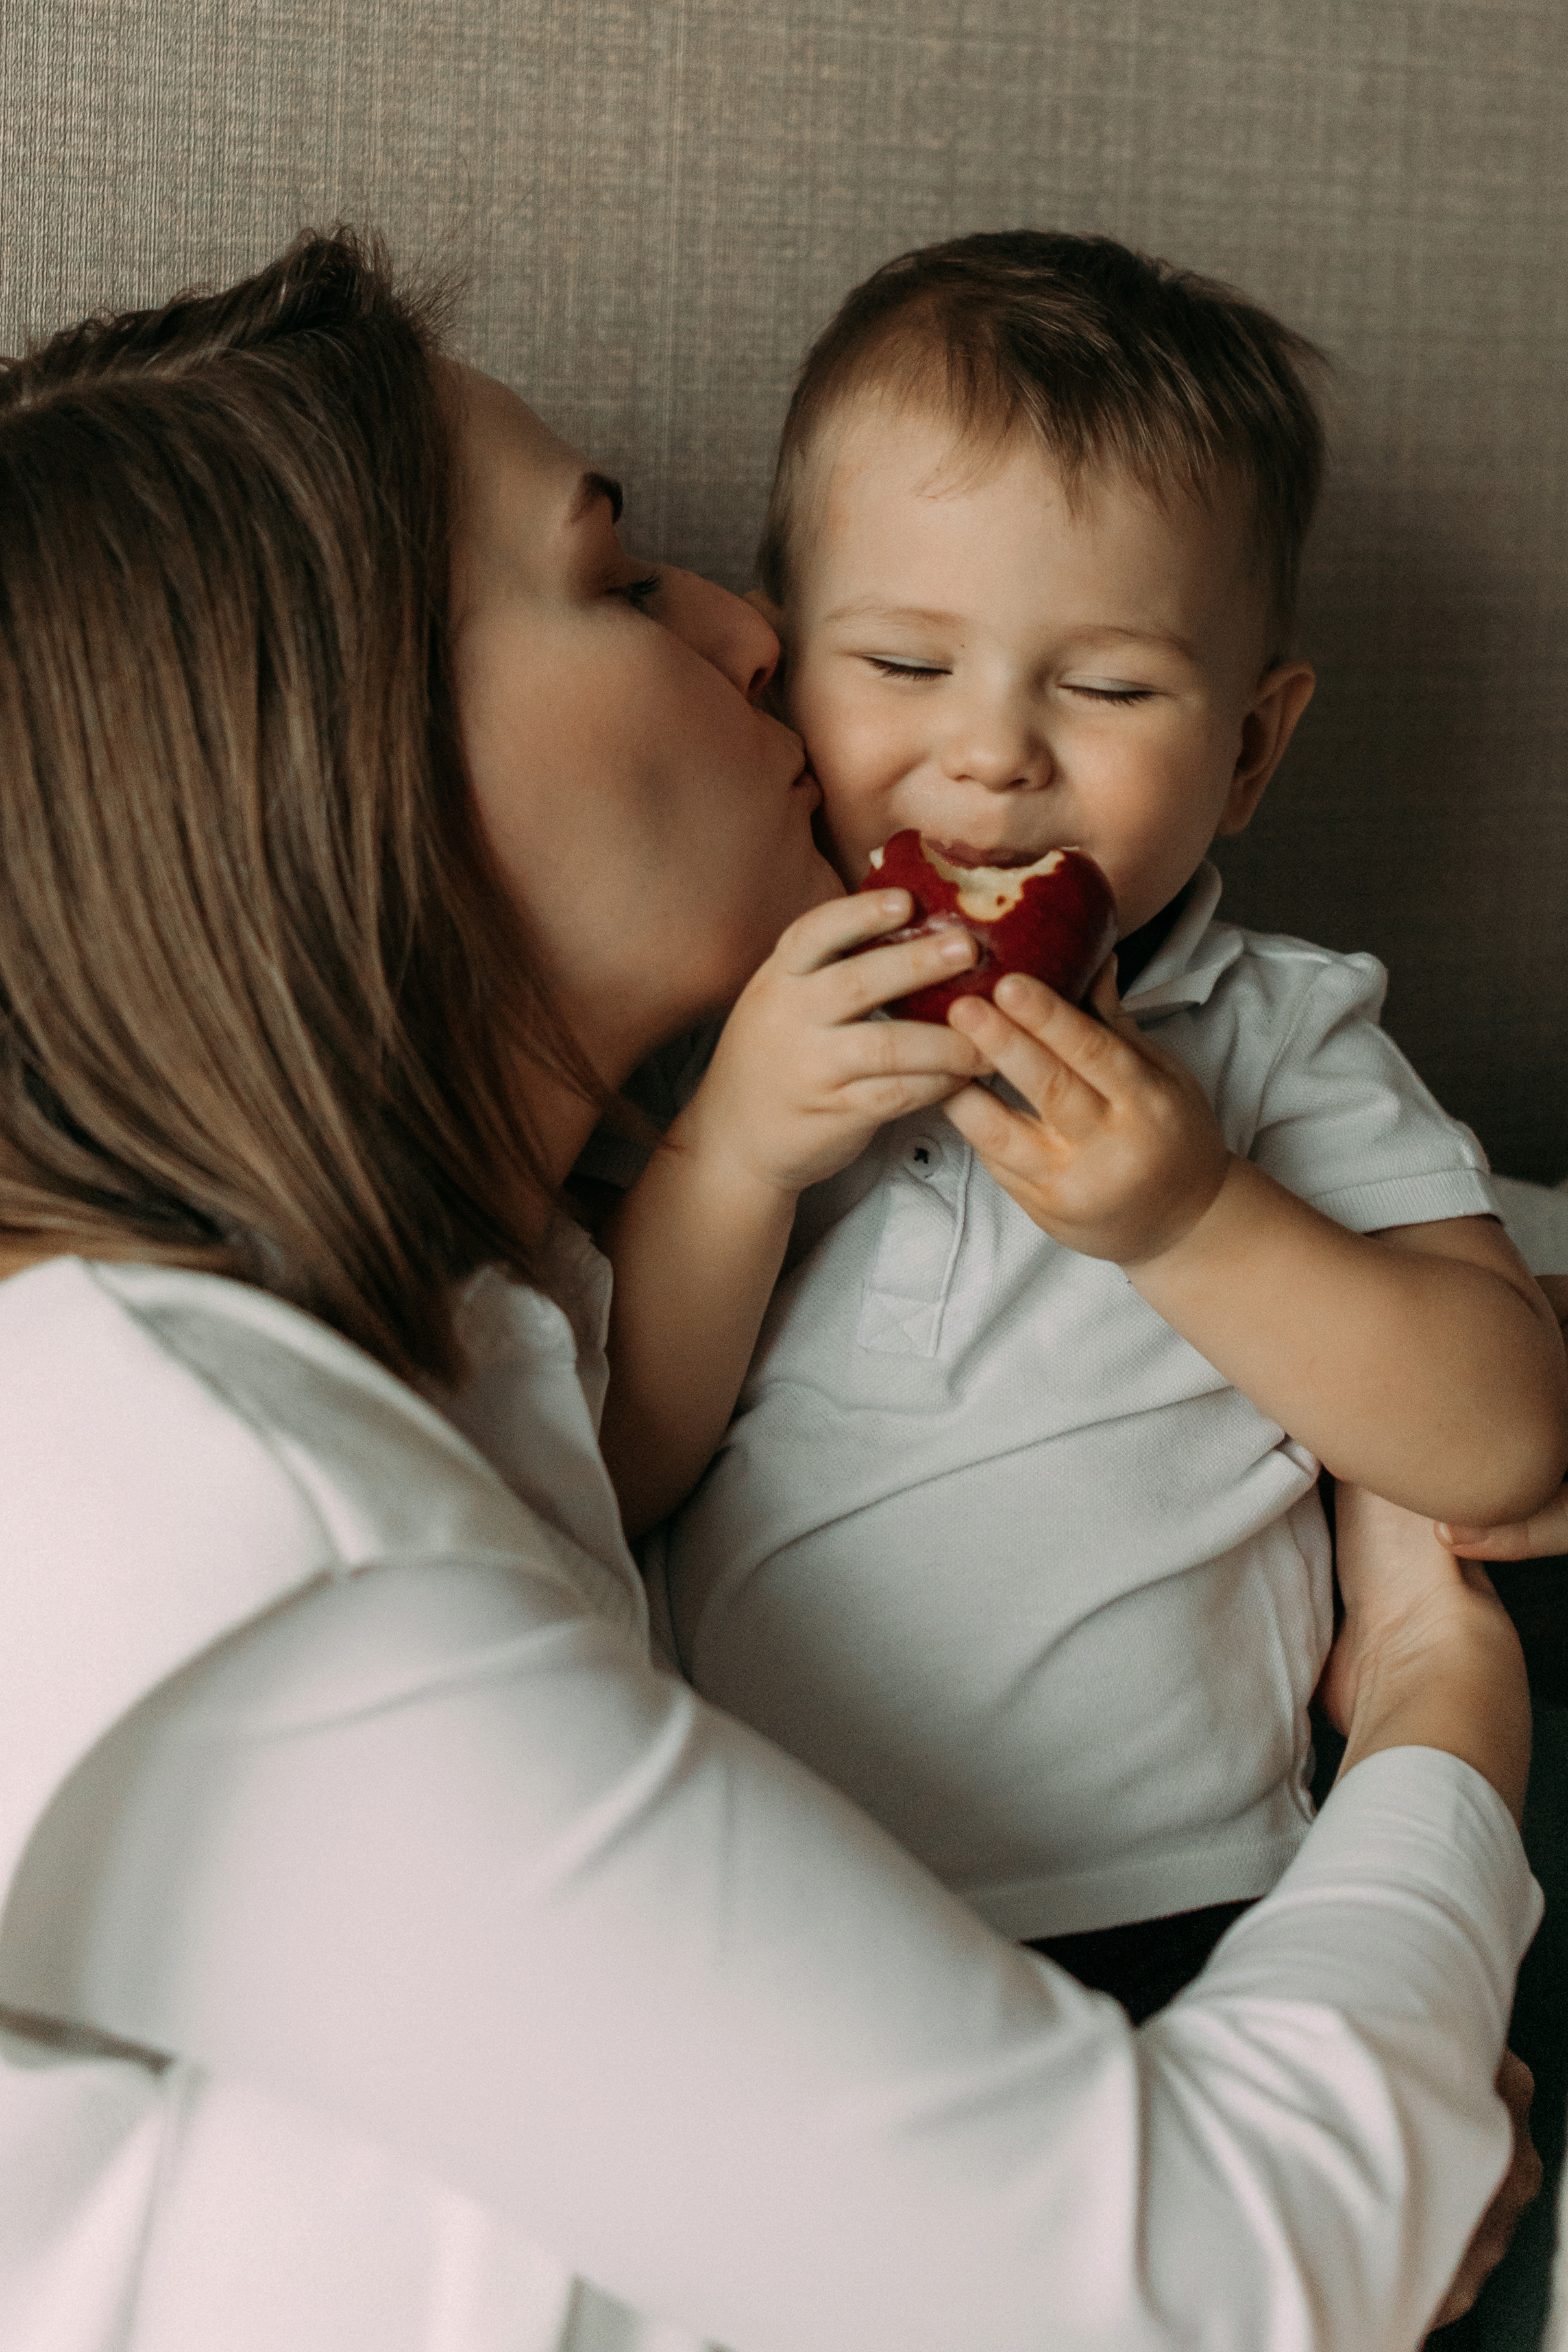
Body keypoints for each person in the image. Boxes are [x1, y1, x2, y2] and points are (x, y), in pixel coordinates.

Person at [0, 228, 1543, 2352]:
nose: (751, 632)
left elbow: (1480, 1367)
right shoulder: (213, 1501)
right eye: (624, 581)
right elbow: (1210, 2278)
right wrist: (1448, 1734)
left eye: (1099, 685)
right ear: (347, 765)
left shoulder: (463, 1352)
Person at [596, 230, 1568, 2016]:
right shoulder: (731, 1015)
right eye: (903, 665)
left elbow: (1502, 1438)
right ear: (788, 671)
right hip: (755, 1898)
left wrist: (1196, 1220)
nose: (993, 755)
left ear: (1254, 752)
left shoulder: (1275, 1034)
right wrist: (731, 1158)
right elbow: (605, 1467)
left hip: (1191, 1908)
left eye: (1107, 688)